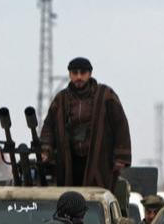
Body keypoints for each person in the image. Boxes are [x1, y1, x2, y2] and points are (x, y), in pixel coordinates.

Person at [39, 57, 132, 192]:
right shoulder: (61, 99)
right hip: (69, 162)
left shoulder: (105, 96)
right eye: (75, 73)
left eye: (82, 73)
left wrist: (120, 158)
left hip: (99, 160)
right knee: (69, 196)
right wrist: (45, 150)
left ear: (89, 74)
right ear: (70, 74)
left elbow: (120, 125)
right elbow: (49, 127)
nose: (79, 77)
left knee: (97, 197)